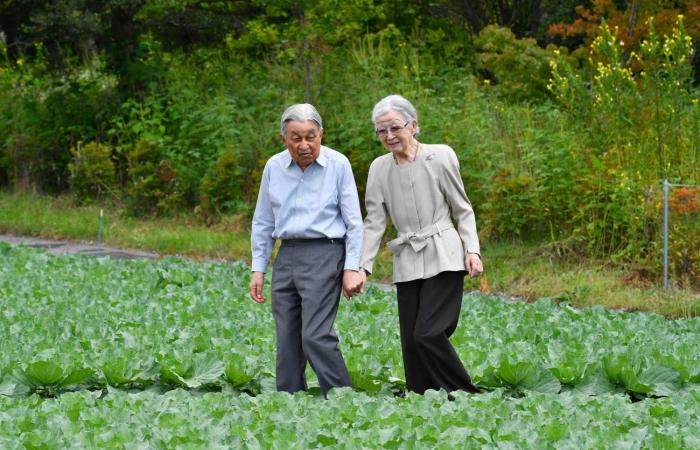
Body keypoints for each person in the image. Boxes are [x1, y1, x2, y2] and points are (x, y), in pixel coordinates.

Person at [356, 94, 483, 394]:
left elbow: (462, 209)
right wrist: (362, 267)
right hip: (407, 258)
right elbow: (374, 222)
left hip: (445, 253)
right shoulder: (378, 169)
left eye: (394, 128)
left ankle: (464, 393)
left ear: (413, 126)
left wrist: (472, 249)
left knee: (428, 333)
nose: (388, 136)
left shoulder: (440, 157)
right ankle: (422, 397)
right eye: (381, 131)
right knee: (411, 342)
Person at [248, 103, 365, 396]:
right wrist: (258, 268)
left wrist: (352, 267)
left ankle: (342, 398)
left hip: (325, 253)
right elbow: (262, 221)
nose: (304, 145)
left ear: (321, 134)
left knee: (314, 334)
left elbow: (354, 222)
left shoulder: (338, 165)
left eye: (310, 137)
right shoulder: (274, 166)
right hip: (286, 254)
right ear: (283, 138)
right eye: (296, 138)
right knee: (286, 337)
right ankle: (289, 401)